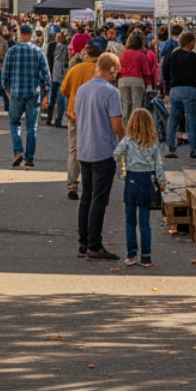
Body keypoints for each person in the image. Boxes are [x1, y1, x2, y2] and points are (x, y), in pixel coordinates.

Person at [73, 52, 125, 260]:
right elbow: (116, 125)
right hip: (103, 150)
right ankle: (95, 243)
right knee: (99, 199)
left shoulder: (82, 90)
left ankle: (83, 242)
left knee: (86, 196)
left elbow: (76, 115)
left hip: (84, 148)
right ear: (111, 70)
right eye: (117, 71)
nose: (117, 75)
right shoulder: (111, 92)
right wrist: (125, 141)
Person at [114, 107, 165, 267]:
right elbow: (158, 165)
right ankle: (146, 256)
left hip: (131, 179)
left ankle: (131, 254)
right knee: (145, 222)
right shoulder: (153, 142)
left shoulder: (128, 139)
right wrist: (162, 181)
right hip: (147, 180)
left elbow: (116, 153)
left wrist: (122, 169)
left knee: (130, 221)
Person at [60, 40, 105, 200]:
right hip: (96, 117)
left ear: (87, 53)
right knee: (95, 150)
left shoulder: (75, 69)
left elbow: (63, 90)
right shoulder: (101, 72)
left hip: (75, 115)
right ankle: (91, 186)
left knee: (74, 150)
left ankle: (72, 185)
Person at [2, 23, 51, 168]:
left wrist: (6, 88)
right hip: (33, 93)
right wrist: (46, 93)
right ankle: (29, 158)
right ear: (30, 35)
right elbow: (46, 75)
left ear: (20, 34)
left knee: (14, 123)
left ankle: (18, 150)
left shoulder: (12, 51)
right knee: (32, 127)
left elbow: (5, 73)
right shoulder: (38, 51)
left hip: (16, 92)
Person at [162, 31, 196, 159]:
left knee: (174, 119)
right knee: (192, 120)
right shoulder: (195, 57)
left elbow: (164, 71)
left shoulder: (172, 55)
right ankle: (193, 149)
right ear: (191, 42)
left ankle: (171, 148)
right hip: (191, 90)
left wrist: (171, 82)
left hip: (175, 90)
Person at [117, 31, 158, 120]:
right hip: (137, 80)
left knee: (125, 106)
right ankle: (135, 129)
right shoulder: (141, 55)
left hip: (123, 80)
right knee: (137, 107)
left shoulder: (123, 54)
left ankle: (125, 129)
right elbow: (146, 72)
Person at [46, 30, 70, 127]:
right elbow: (49, 59)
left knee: (60, 100)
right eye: (57, 36)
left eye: (60, 37)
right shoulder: (52, 46)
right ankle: (49, 119)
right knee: (52, 100)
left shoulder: (66, 47)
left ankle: (58, 120)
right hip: (54, 76)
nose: (58, 38)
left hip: (61, 76)